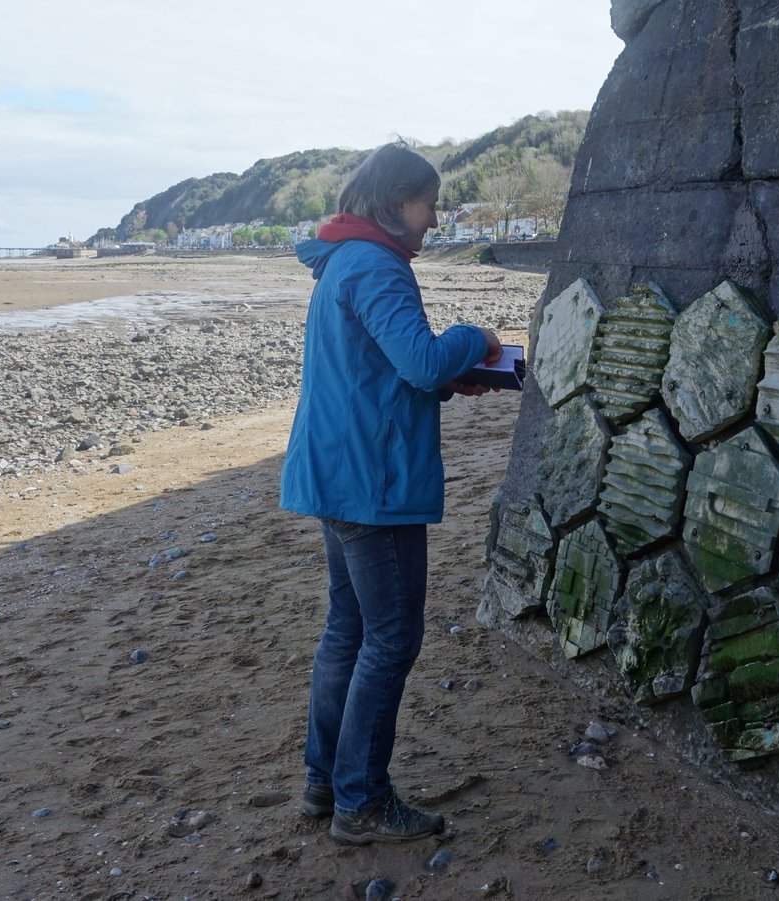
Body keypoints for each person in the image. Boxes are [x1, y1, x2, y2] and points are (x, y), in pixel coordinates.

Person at [280, 141, 502, 844]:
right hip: (369, 482)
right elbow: (418, 357)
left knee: (348, 630)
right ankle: (362, 801)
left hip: (336, 473)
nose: (434, 218)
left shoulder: (344, 261)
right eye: (428, 203)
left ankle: (326, 782)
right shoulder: (377, 264)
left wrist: (445, 377)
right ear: (394, 202)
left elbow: (385, 372)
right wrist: (477, 338)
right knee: (391, 638)